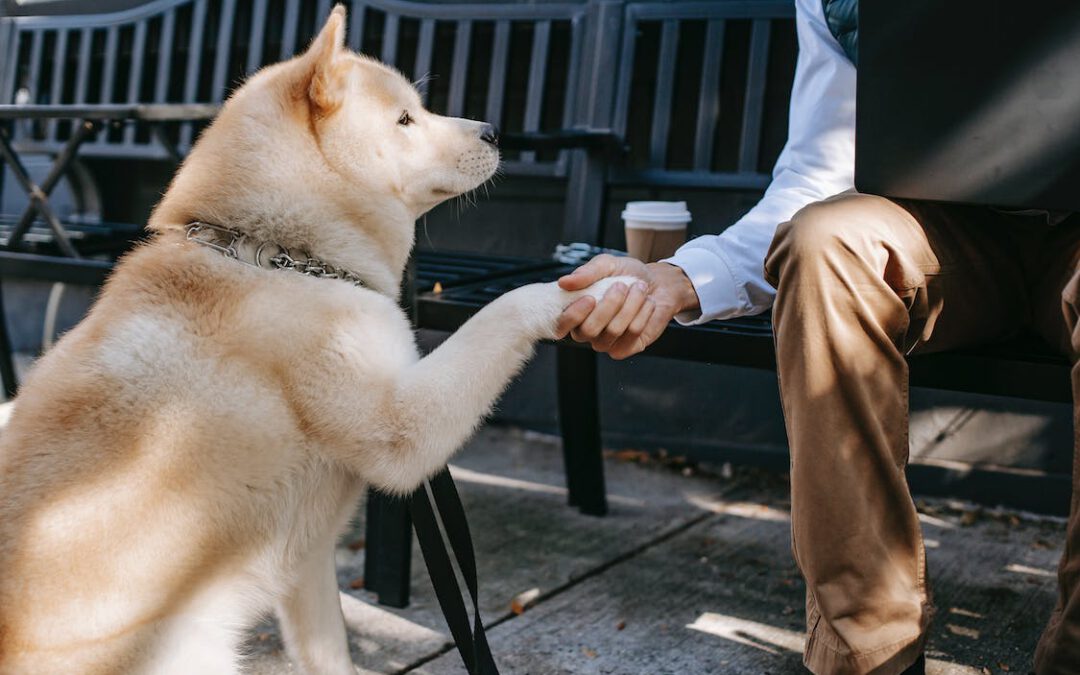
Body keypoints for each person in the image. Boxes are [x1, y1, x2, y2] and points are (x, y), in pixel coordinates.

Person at [553, 0, 1080, 673]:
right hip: (947, 238)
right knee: (824, 240)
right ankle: (868, 653)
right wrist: (677, 277)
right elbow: (815, 174)